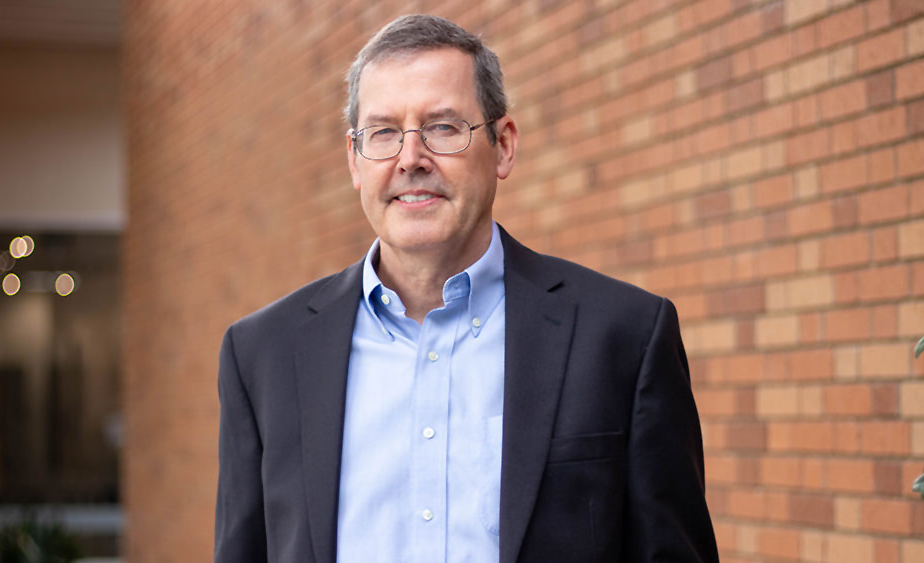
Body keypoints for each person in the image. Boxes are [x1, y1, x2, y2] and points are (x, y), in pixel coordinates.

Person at [215, 14, 719, 563]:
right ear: (354, 160)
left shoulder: (624, 337)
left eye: (443, 127)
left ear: (503, 146)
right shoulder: (263, 354)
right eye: (383, 132)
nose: (411, 159)